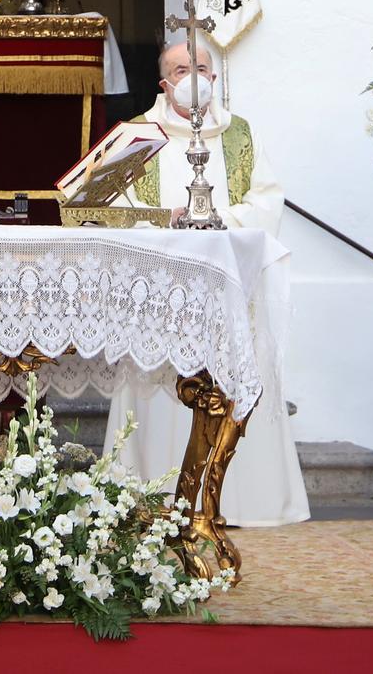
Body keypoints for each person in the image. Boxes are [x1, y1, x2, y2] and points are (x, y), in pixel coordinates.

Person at [102, 40, 310, 528]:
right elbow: (108, 209)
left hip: (230, 292)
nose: (191, 75)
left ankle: (242, 500)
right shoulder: (136, 136)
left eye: (200, 67)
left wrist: (215, 220)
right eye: (180, 68)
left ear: (214, 80)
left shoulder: (238, 135)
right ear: (164, 83)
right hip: (159, 294)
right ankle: (149, 495)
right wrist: (167, 222)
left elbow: (266, 203)